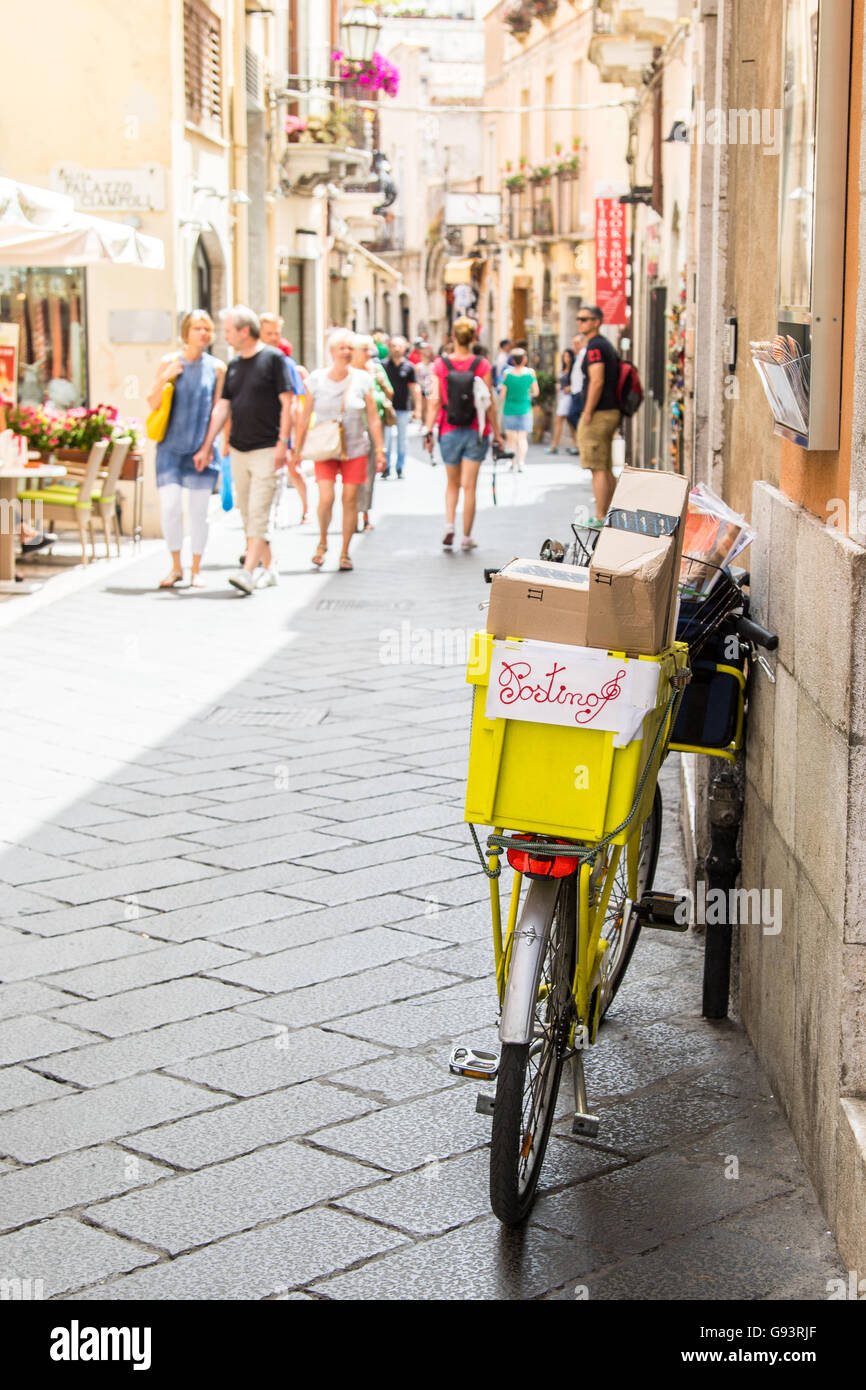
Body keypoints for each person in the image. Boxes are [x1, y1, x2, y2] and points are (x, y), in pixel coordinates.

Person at [193, 305, 294, 594]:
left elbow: (288, 402)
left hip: (266, 448)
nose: (223, 336)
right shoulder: (235, 365)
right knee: (248, 513)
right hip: (239, 449)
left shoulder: (274, 359)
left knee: (260, 511)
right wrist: (207, 445)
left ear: (244, 331)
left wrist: (283, 443)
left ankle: (247, 572)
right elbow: (223, 407)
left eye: (227, 331)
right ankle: (270, 567)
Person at [292, 328, 386, 572]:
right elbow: (304, 417)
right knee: (326, 498)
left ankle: (345, 551)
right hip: (325, 448)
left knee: (350, 499)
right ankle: (323, 540)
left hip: (355, 448)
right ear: (331, 352)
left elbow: (373, 418)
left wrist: (380, 450)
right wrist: (297, 449)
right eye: (341, 348)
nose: (346, 352)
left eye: (349, 348)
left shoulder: (363, 379)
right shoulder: (316, 379)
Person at [146, 309, 225, 589]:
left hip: (201, 448)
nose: (203, 333)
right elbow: (152, 402)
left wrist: (210, 446)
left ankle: (196, 569)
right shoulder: (169, 363)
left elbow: (218, 409)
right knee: (169, 507)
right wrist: (166, 377)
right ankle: (176, 566)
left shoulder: (217, 368)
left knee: (199, 512)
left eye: (207, 328)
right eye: (197, 328)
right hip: (169, 447)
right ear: (186, 332)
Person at [424, 315, 505, 551]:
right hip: (475, 431)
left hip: (448, 429)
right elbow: (488, 401)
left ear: (453, 337)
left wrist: (429, 430)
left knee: (452, 484)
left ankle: (449, 525)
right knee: (469, 486)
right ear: (473, 338)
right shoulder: (482, 365)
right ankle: (467, 537)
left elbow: (434, 401)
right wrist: (497, 434)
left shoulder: (440, 365)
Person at [259, 311, 308, 523]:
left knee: (291, 471)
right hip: (259, 432)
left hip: (281, 432)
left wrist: (293, 439)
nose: (273, 338)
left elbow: (295, 403)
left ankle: (302, 508)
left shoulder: (284, 364)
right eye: (269, 333)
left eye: (276, 333)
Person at [575, 306, 621, 520]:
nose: (580, 322)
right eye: (578, 319)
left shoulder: (595, 347)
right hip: (608, 411)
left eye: (584, 319)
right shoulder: (602, 345)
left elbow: (597, 380)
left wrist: (587, 411)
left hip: (599, 412)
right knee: (604, 465)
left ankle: (601, 515)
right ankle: (610, 511)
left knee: (597, 466)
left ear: (596, 322)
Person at [351, 333, 392, 531]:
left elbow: (389, 392)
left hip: (373, 425)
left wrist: (379, 383)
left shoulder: (376, 369)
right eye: (366, 349)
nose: (370, 353)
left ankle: (364, 514)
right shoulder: (348, 372)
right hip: (352, 428)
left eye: (370, 349)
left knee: (368, 473)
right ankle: (352, 513)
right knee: (353, 473)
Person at [382, 336, 421, 479]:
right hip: (387, 409)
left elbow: (414, 388)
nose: (396, 349)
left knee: (402, 439)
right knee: (385, 439)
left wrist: (418, 408)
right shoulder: (383, 365)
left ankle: (400, 467)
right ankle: (385, 466)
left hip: (403, 408)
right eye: (393, 346)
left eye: (399, 346)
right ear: (389, 348)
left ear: (404, 348)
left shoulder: (409, 367)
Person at [498, 347, 538, 472]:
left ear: (513, 360)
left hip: (509, 408)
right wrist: (526, 395)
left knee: (511, 438)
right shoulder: (530, 373)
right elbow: (536, 392)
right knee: (522, 437)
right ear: (525, 359)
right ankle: (521, 462)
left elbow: (502, 394)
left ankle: (512, 461)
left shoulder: (507, 374)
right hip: (524, 408)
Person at [547, 348, 578, 454]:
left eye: (568, 356)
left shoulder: (575, 369)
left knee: (559, 419)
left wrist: (569, 388)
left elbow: (579, 382)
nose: (566, 359)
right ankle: (576, 445)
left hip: (569, 397)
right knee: (570, 422)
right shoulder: (564, 369)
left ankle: (554, 445)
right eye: (564, 356)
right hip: (562, 396)